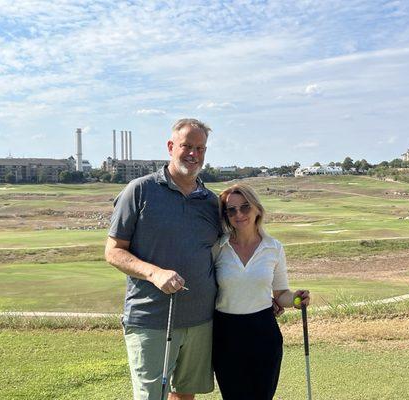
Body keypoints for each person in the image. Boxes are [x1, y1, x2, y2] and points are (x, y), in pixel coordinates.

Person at [105, 118, 221, 400]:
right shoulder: (140, 190)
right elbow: (113, 251)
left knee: (185, 395)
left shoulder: (211, 201)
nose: (194, 154)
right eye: (187, 146)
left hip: (200, 320)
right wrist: (154, 273)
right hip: (151, 318)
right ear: (171, 147)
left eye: (200, 148)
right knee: (151, 396)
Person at [213, 183, 310, 400]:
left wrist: (295, 299)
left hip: (263, 332)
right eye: (232, 210)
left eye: (245, 207)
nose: (239, 214)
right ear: (226, 215)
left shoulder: (273, 247)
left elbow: (280, 294)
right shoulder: (218, 247)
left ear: (257, 209)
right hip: (225, 333)